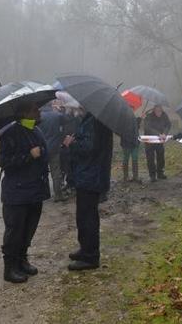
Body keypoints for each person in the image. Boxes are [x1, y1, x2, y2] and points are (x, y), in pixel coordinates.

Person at [0, 101, 50, 283]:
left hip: (35, 191)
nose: (38, 111)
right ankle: (10, 267)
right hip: (17, 193)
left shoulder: (37, 130)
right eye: (35, 109)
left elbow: (44, 155)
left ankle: (22, 259)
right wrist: (28, 156)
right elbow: (4, 162)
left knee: (29, 229)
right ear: (25, 113)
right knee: (15, 230)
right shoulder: (9, 133)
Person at [64, 107, 113, 271]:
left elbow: (88, 147)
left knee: (88, 218)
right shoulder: (94, 119)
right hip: (89, 175)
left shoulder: (94, 121)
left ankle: (90, 256)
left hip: (91, 176)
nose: (77, 107)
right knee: (83, 216)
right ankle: (85, 249)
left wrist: (73, 143)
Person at [39, 100, 68, 202]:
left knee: (41, 172)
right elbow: (66, 120)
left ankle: (42, 195)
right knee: (56, 173)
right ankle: (58, 195)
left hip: (41, 149)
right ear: (51, 104)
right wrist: (61, 110)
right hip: (54, 148)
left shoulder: (38, 116)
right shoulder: (57, 115)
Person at [143, 105, 171, 181]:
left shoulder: (164, 115)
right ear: (154, 110)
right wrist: (158, 134)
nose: (159, 113)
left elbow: (168, 125)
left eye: (160, 111)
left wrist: (165, 133)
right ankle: (152, 175)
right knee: (150, 158)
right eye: (157, 111)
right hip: (150, 140)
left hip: (160, 140)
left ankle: (160, 173)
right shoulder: (148, 116)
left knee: (161, 156)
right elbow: (147, 128)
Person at [120, 117, 142, 183]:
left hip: (135, 143)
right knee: (126, 159)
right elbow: (120, 131)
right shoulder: (122, 121)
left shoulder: (135, 119)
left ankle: (135, 177)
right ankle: (126, 177)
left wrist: (138, 122)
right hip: (126, 143)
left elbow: (136, 130)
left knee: (135, 159)